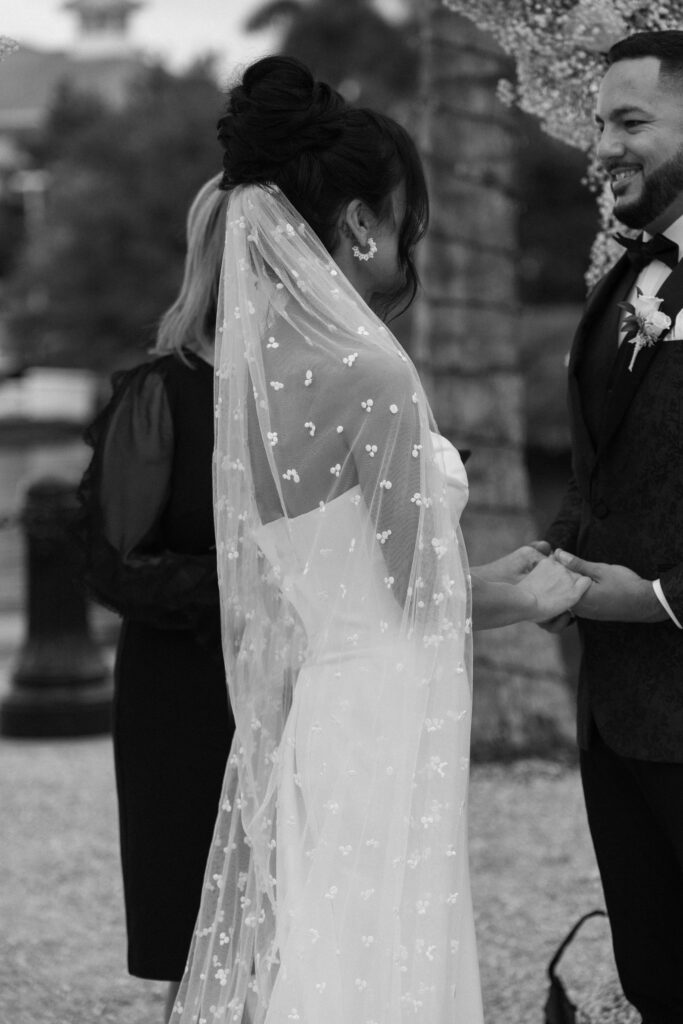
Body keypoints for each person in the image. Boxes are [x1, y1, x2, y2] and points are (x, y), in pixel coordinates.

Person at [172, 57, 588, 1024]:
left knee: (334, 931)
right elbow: (419, 598)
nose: (411, 245)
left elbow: (347, 576)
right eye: (407, 222)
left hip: (329, 694)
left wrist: (483, 574)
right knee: (384, 942)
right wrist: (531, 595)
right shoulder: (372, 372)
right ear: (361, 223)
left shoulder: (257, 374)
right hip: (391, 696)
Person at [544, 31, 683, 1024]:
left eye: (627, 120)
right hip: (620, 712)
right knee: (657, 979)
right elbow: (609, 468)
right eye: (598, 121)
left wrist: (662, 599)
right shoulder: (624, 279)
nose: (600, 145)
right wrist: (553, 558)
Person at [77, 175, 234, 1022]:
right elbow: (114, 567)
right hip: (186, 693)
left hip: (312, 691)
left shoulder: (332, 391)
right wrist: (247, 584)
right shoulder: (160, 393)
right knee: (203, 932)